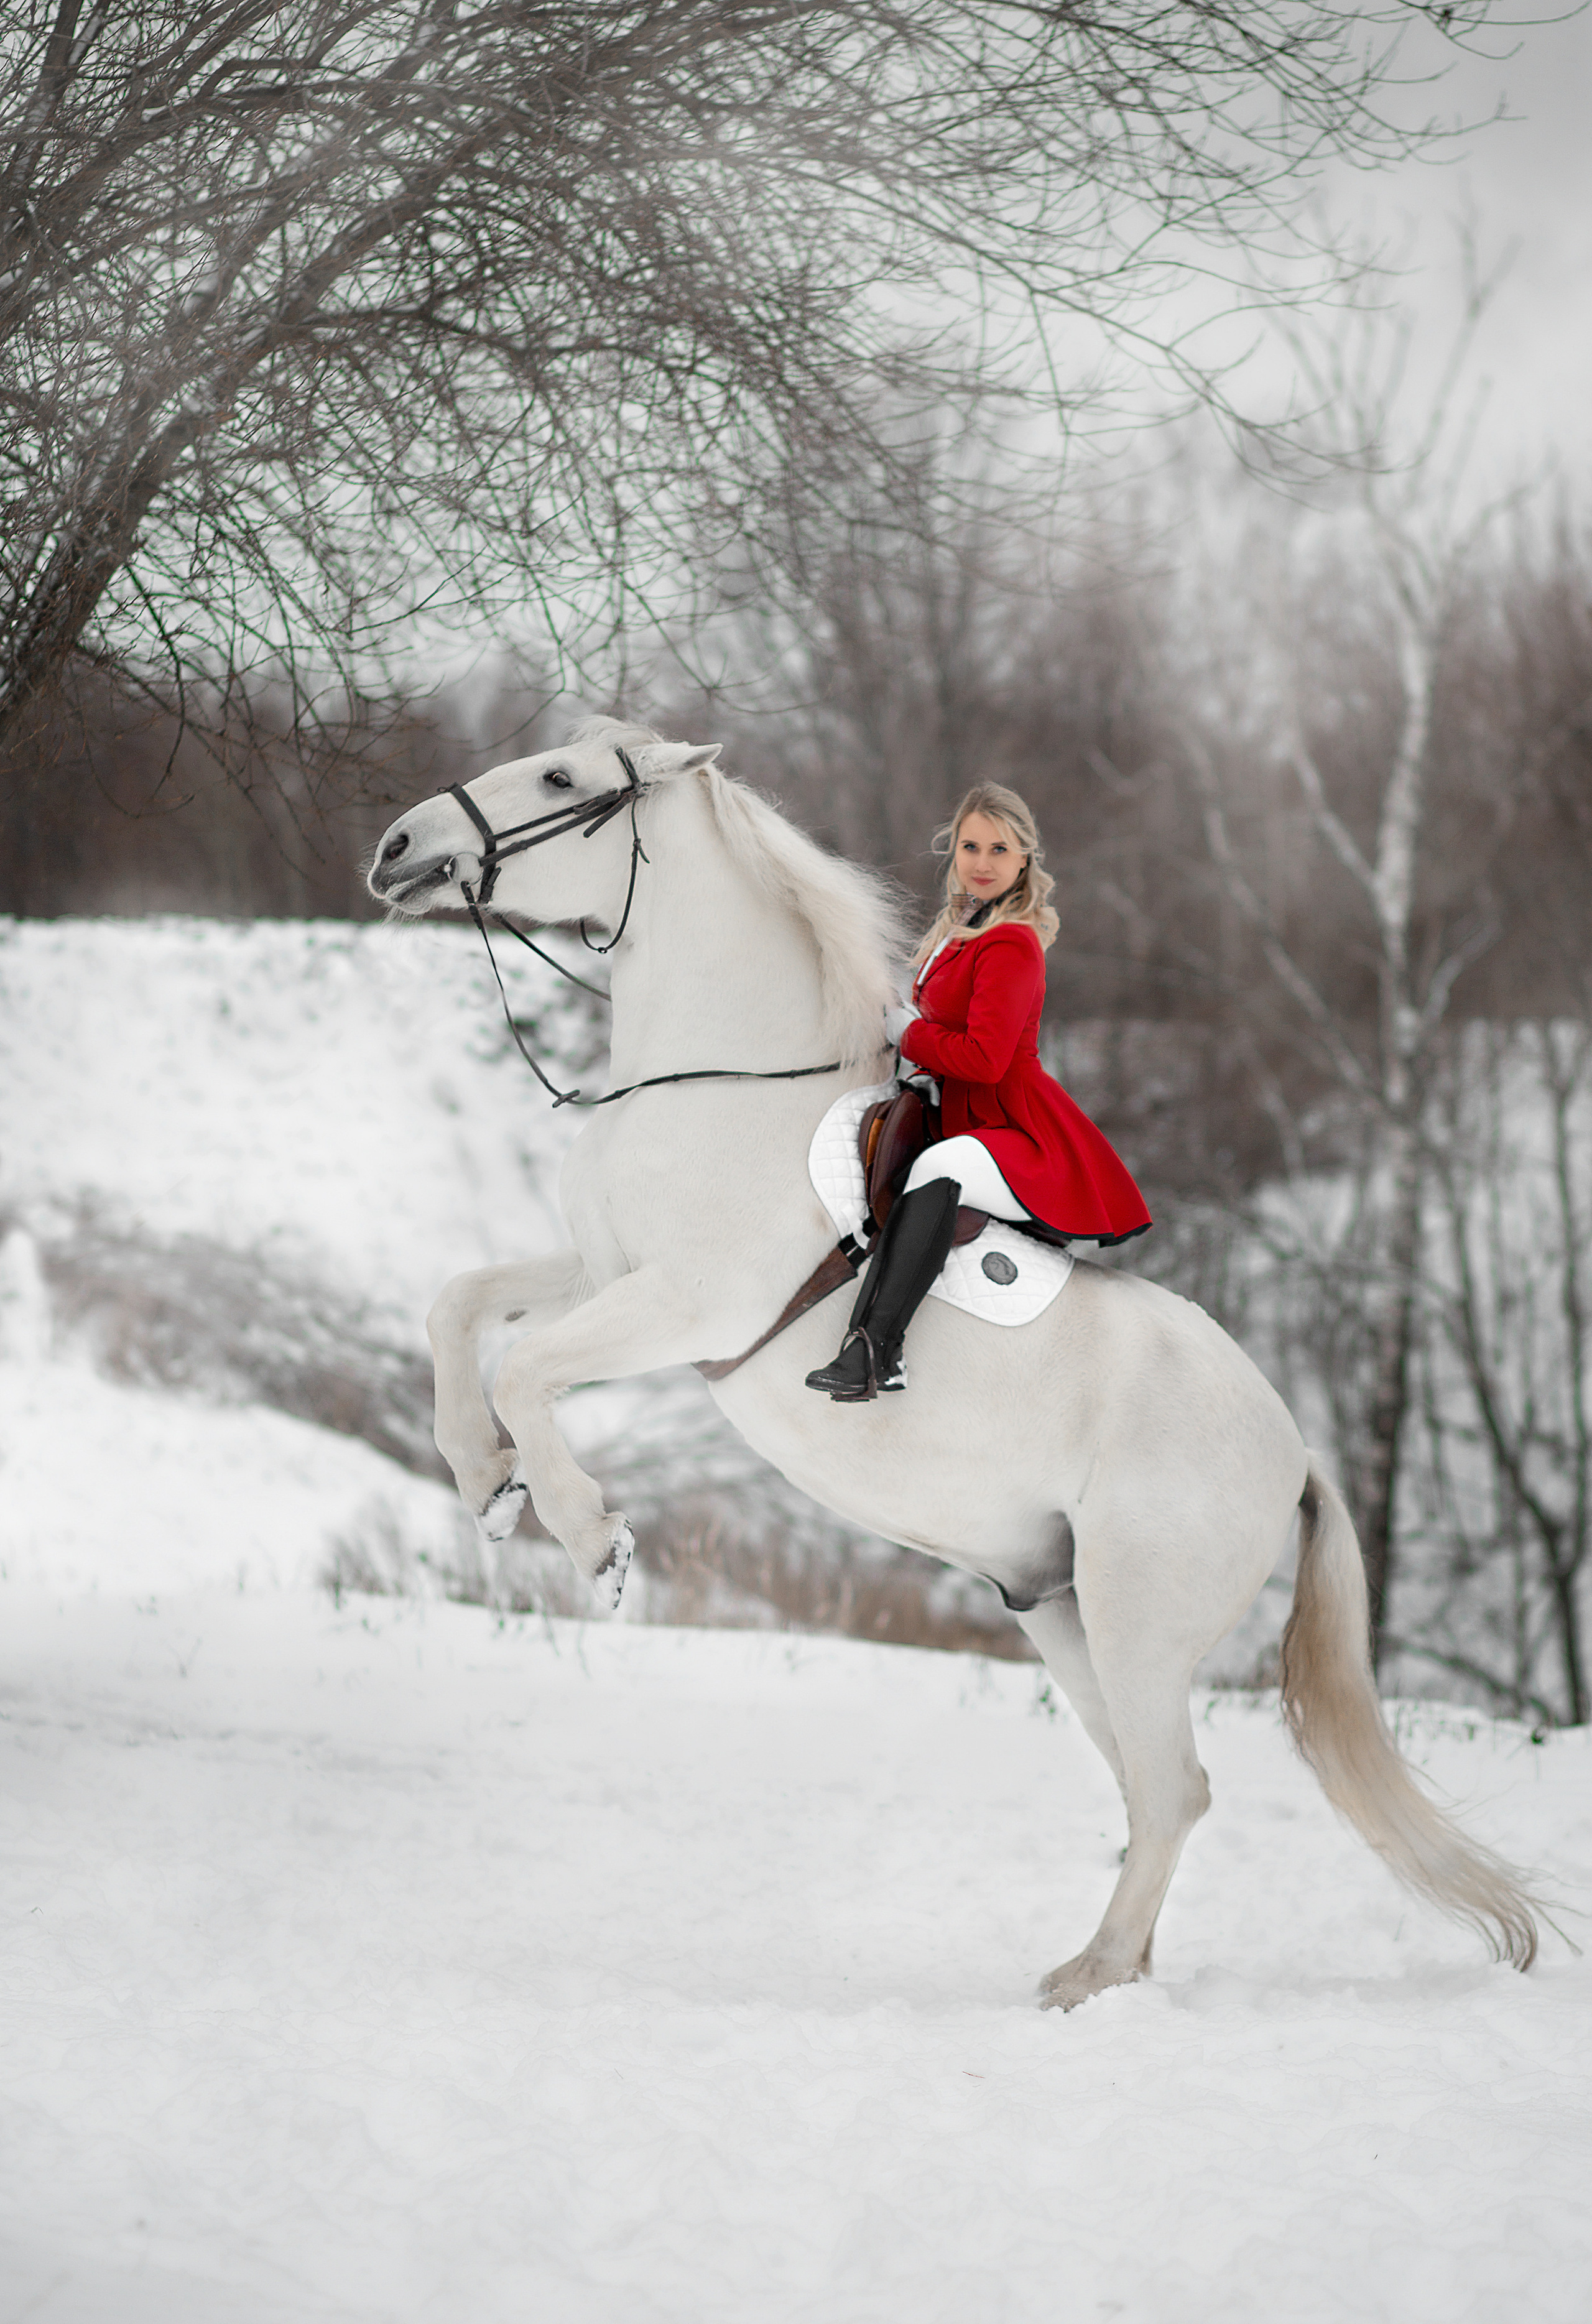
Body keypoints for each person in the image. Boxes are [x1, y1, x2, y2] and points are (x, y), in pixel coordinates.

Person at [805, 782, 1152, 1402]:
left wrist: (909, 1032)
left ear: (1023, 860)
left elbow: (985, 1060)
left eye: (999, 848)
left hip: (1012, 1123)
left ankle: (876, 1349)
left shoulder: (1011, 941)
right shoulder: (958, 927)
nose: (982, 861)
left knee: (941, 1167)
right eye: (970, 846)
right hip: (960, 1109)